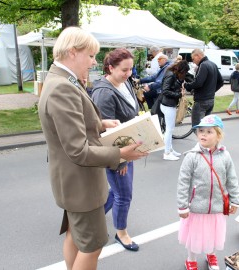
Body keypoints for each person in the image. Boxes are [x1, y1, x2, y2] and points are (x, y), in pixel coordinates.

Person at [38, 27, 147, 270]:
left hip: (73, 182)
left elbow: (72, 123)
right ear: (72, 52)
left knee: (74, 237)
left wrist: (99, 123)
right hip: (81, 184)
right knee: (93, 245)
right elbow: (77, 150)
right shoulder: (63, 87)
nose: (94, 62)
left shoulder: (61, 80)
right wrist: (120, 154)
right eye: (90, 56)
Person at [91, 48, 142, 252]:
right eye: (124, 70)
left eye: (131, 69)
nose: (129, 74)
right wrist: (119, 159)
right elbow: (105, 133)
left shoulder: (123, 82)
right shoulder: (104, 92)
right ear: (110, 68)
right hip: (118, 153)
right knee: (124, 194)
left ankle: (87, 218)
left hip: (126, 147)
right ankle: (121, 233)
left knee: (118, 190)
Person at [177, 114, 239, 270]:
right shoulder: (191, 157)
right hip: (196, 207)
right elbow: (183, 182)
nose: (203, 134)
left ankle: (211, 254)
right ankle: (191, 259)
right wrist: (182, 206)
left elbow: (232, 179)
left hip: (217, 207)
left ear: (219, 135)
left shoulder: (225, 156)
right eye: (201, 131)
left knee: (212, 235)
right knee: (194, 236)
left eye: (209, 131)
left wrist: (235, 200)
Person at [183, 49, 224, 127]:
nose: (193, 61)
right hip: (210, 100)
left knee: (197, 127)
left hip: (201, 101)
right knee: (206, 127)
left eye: (193, 59)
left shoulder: (203, 65)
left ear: (197, 56)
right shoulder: (213, 64)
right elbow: (221, 82)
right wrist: (212, 91)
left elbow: (198, 82)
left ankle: (203, 139)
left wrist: (186, 85)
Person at [160, 60, 190, 161]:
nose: (184, 74)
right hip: (168, 105)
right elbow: (166, 90)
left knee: (170, 129)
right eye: (184, 72)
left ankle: (170, 149)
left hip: (168, 104)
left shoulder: (172, 73)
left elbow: (168, 88)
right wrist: (179, 94)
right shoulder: (171, 75)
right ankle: (167, 152)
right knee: (169, 130)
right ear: (181, 70)